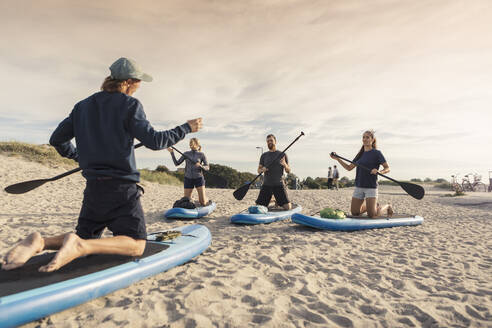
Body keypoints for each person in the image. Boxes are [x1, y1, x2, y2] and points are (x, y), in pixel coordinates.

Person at [1, 57, 202, 272]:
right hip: (121, 189)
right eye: (138, 82)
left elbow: (57, 140)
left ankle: (42, 242)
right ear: (128, 82)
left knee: (85, 236)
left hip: (94, 187)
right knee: (136, 245)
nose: (139, 87)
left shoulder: (82, 106)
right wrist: (185, 128)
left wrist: (82, 157)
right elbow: (155, 141)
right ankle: (78, 246)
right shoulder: (130, 104)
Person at [330, 130, 393, 218]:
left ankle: (387, 206)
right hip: (359, 186)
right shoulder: (360, 154)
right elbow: (349, 168)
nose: (365, 139)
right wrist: (338, 159)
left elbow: (387, 168)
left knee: (372, 215)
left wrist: (379, 172)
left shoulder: (377, 153)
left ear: (372, 139)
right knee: (355, 213)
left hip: (371, 187)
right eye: (363, 137)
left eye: (367, 137)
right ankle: (372, 206)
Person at [167, 138, 209, 206]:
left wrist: (201, 166)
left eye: (193, 143)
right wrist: (172, 153)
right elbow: (177, 163)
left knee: (203, 202)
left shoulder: (201, 154)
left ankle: (206, 199)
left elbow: (207, 167)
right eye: (190, 143)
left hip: (199, 179)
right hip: (188, 178)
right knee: (186, 201)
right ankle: (193, 199)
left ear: (198, 145)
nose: (191, 145)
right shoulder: (186, 154)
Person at [256, 134, 292, 210]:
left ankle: (277, 200)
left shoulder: (282, 154)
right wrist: (262, 170)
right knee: (258, 207)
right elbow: (258, 170)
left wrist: (285, 165)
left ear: (275, 141)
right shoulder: (264, 155)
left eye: (271, 140)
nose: (269, 142)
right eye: (268, 141)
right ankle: (273, 200)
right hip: (266, 184)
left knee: (288, 207)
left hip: (278, 184)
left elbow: (288, 171)